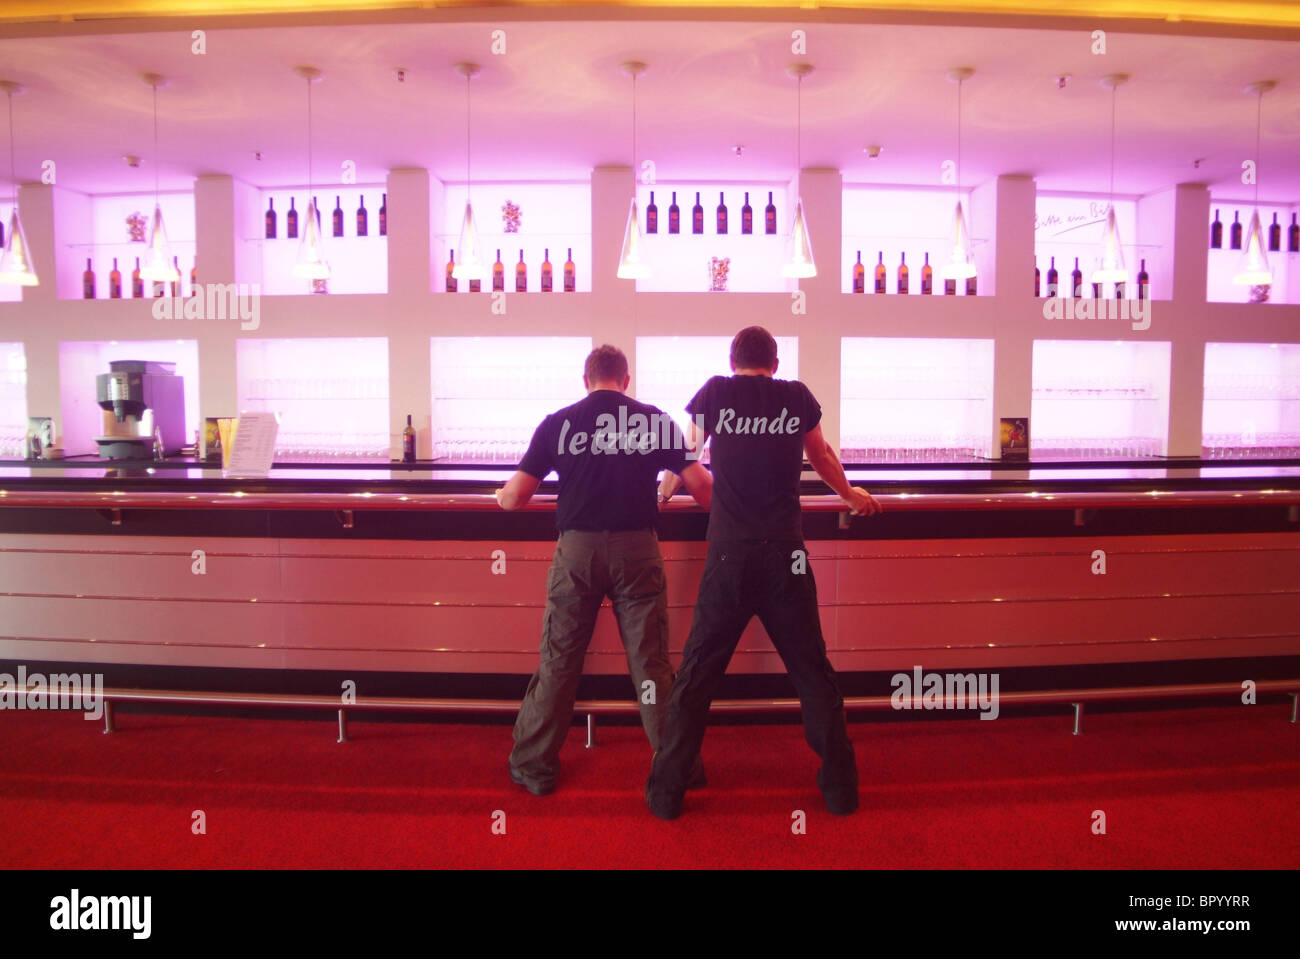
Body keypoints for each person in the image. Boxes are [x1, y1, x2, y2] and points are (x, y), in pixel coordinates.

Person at [645, 326, 881, 819]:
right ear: (774, 363)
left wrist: (662, 496)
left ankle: (666, 796)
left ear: (734, 361)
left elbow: (684, 456)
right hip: (787, 555)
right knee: (812, 672)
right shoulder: (795, 397)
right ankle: (841, 791)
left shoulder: (716, 391)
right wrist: (850, 495)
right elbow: (821, 456)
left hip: (730, 551)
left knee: (696, 675)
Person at [495, 344, 713, 795]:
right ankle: (677, 768)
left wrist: (498, 495)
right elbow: (703, 488)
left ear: (585, 380)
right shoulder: (653, 420)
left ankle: (535, 767)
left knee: (559, 661)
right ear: (626, 380)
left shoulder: (559, 423)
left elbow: (516, 497)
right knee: (651, 666)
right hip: (638, 551)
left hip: (577, 553)